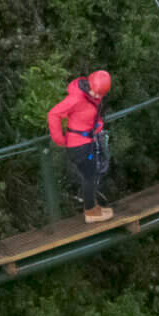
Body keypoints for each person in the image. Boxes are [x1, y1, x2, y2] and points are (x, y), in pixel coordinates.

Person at [46, 70, 113, 223]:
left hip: (86, 142)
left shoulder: (91, 96)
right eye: (94, 92)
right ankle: (90, 212)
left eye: (99, 94)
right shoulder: (77, 97)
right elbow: (53, 114)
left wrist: (97, 126)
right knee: (90, 176)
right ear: (89, 84)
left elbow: (90, 115)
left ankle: (94, 208)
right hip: (78, 145)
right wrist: (59, 139)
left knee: (92, 174)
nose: (96, 96)